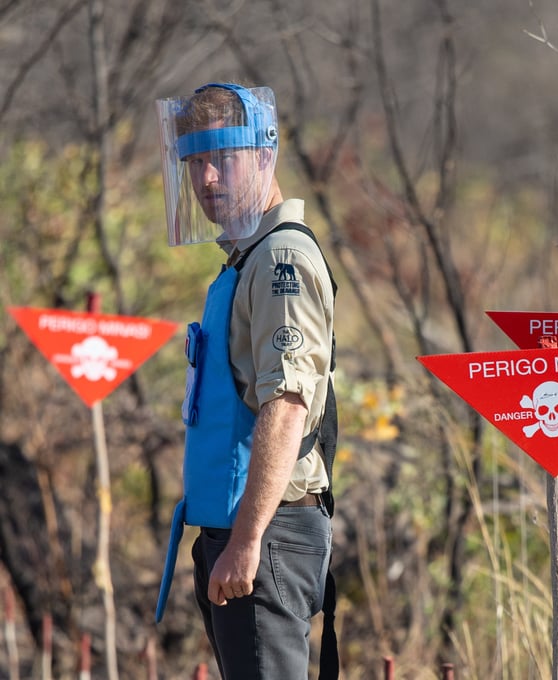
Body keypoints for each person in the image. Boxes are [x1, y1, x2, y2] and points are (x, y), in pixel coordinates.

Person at [153, 82, 339, 679]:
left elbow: (286, 405)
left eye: (222, 159)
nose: (207, 181)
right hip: (243, 533)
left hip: (268, 534)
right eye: (196, 163)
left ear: (264, 155)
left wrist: (247, 540)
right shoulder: (247, 259)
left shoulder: (281, 259)